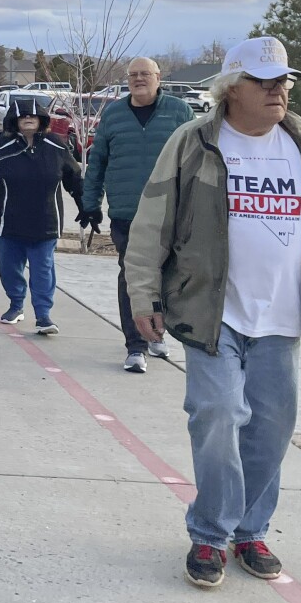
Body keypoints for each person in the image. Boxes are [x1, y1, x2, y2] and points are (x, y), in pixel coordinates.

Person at [125, 36, 301, 589]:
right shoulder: (194, 142)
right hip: (213, 311)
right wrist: (142, 295)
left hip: (282, 317)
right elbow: (152, 224)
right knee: (217, 414)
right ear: (231, 89)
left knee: (272, 426)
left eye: (283, 82)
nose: (278, 91)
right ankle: (210, 534)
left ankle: (250, 529)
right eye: (264, 82)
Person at [77, 57, 195, 373]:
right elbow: (97, 161)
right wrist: (90, 204)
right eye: (133, 75)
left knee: (169, 276)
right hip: (127, 212)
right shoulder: (113, 115)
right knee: (132, 276)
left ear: (159, 78)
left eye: (145, 74)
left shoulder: (179, 112)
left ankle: (158, 331)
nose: (138, 79)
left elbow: (196, 161)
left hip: (172, 212)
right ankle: (135, 347)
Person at [0, 97, 83, 335]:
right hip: (8, 222)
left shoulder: (56, 146)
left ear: (42, 120)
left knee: (42, 269)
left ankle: (44, 316)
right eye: (23, 116)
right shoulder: (2, 147)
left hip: (45, 222)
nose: (28, 119)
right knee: (9, 268)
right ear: (13, 121)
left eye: (33, 116)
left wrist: (86, 205)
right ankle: (16, 305)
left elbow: (75, 178)